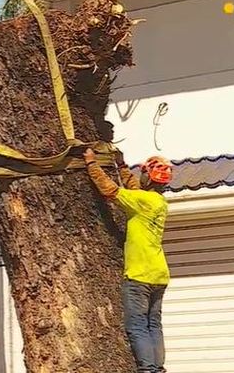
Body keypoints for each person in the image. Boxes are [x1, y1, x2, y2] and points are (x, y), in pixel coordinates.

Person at [83, 148, 172, 373]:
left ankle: (147, 369)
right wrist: (122, 167)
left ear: (147, 178)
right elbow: (134, 188)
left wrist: (91, 163)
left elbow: (109, 190)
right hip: (158, 273)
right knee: (153, 324)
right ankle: (158, 369)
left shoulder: (141, 200)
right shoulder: (157, 201)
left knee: (137, 325)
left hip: (139, 273)